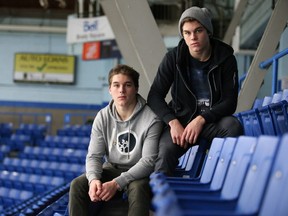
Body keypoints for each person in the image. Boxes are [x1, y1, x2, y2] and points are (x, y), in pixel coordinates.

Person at [147, 6, 243, 176]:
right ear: (183, 35)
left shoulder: (226, 59)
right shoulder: (173, 59)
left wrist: (201, 119)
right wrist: (172, 122)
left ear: (208, 31)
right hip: (181, 124)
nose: (193, 37)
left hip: (212, 122)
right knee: (164, 153)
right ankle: (158, 199)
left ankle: (221, 182)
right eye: (187, 33)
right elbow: (154, 96)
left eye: (198, 31)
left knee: (233, 126)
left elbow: (230, 102)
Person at [69, 64, 162, 216]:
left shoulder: (151, 118)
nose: (121, 90)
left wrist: (117, 184)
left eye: (128, 85)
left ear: (136, 88)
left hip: (138, 172)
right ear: (110, 89)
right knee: (78, 184)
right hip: (112, 168)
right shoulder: (102, 116)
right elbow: (94, 156)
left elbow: (148, 161)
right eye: (116, 85)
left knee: (138, 188)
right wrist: (93, 180)